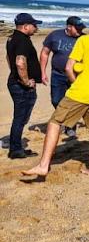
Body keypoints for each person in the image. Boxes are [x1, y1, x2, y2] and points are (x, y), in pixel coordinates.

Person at [22, 11, 89, 177]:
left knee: (55, 121)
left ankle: (43, 165)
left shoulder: (85, 40)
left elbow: (69, 67)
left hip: (81, 91)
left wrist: (76, 82)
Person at [40, 16, 86, 139]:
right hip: (57, 75)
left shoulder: (84, 38)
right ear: (69, 27)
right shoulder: (54, 36)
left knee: (74, 102)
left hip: (76, 76)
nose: (80, 31)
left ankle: (70, 127)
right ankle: (63, 120)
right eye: (78, 29)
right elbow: (45, 53)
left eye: (81, 28)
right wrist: (42, 72)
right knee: (56, 100)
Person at [6, 13, 43, 159]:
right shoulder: (22, 41)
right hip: (21, 86)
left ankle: (16, 146)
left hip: (16, 82)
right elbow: (19, 62)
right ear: (25, 26)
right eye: (34, 25)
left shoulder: (12, 38)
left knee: (20, 118)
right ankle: (15, 149)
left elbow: (9, 58)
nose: (36, 28)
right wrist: (26, 81)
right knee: (20, 118)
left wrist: (16, 74)